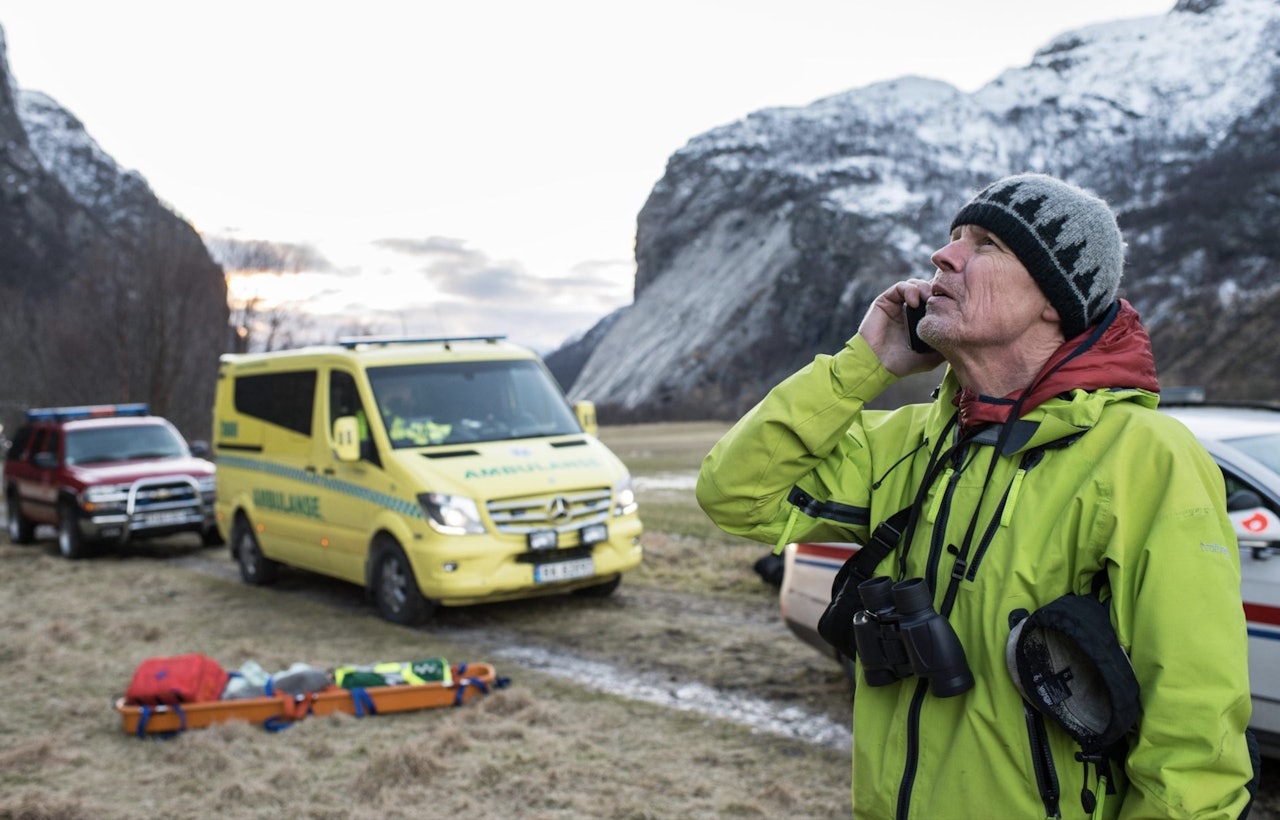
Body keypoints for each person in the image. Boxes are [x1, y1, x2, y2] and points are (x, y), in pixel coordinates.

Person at [696, 174, 1255, 818]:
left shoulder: (1145, 457)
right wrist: (863, 363)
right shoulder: (906, 444)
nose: (943, 257)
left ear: (1055, 298)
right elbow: (733, 494)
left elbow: (1195, 734)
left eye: (985, 244)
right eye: (951, 236)